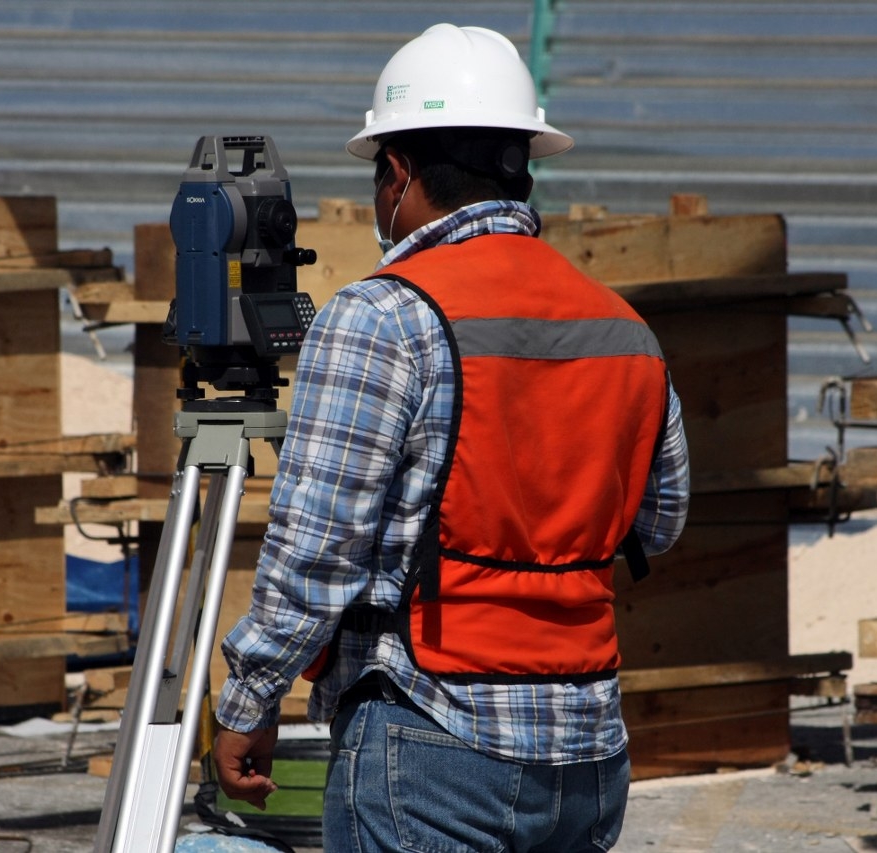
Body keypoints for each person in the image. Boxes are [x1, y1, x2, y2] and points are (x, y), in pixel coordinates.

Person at [212, 23, 690, 853]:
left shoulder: (382, 316)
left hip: (433, 740)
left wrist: (248, 701)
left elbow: (317, 549)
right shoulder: (622, 325)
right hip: (588, 751)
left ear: (397, 173)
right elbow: (661, 518)